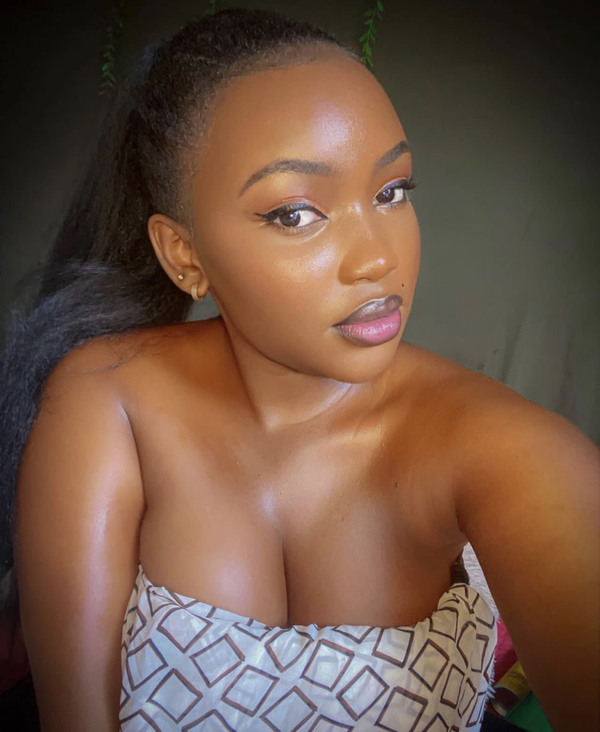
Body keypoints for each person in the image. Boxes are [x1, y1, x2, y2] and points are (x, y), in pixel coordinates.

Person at [0, 7, 597, 731]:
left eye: (391, 191)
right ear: (184, 254)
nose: (377, 258)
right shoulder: (107, 401)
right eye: (295, 214)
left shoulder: (510, 450)